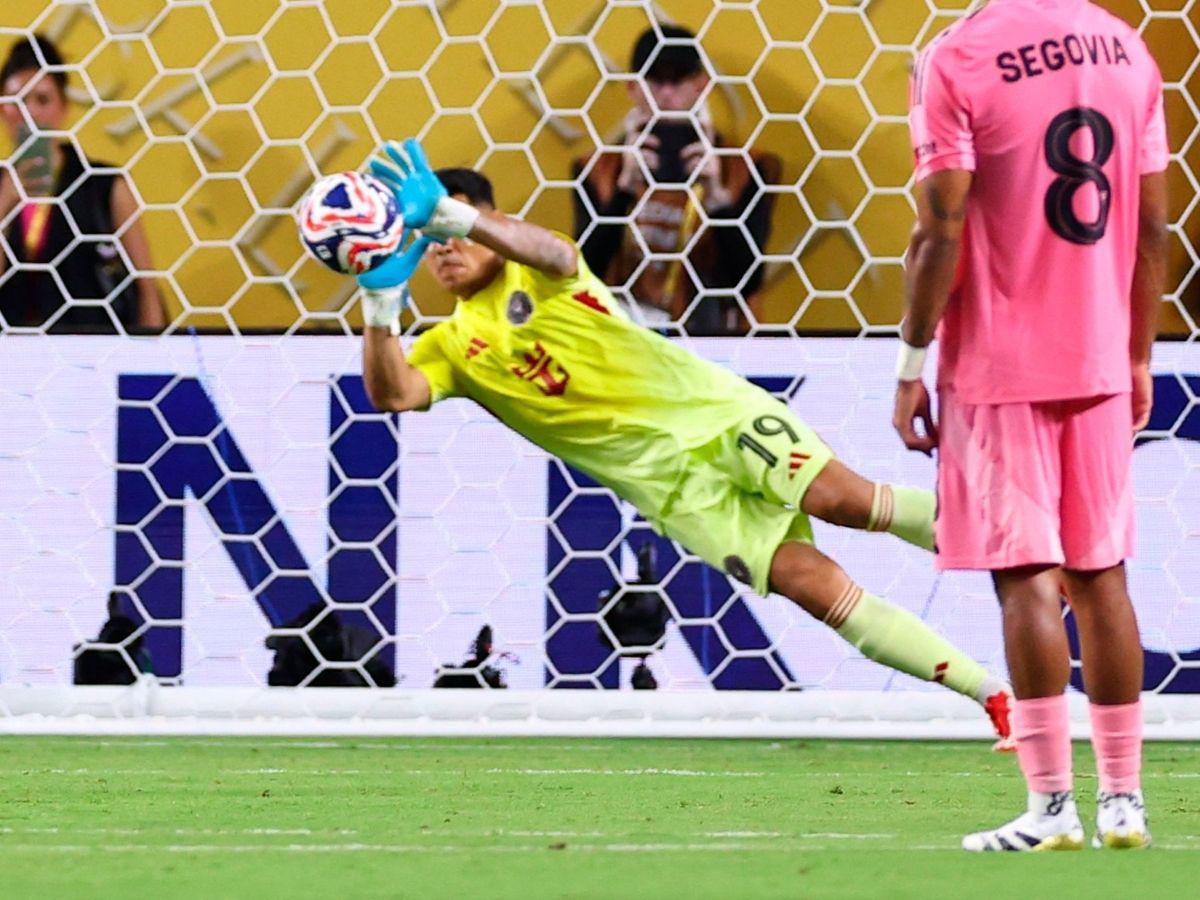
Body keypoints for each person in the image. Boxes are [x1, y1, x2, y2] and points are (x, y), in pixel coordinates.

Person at [349, 137, 1015, 744]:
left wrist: (449, 212)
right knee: (815, 590)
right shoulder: (449, 346)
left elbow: (557, 251)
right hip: (673, 491)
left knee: (846, 501)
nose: (442, 247)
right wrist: (378, 308)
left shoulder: (537, 268)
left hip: (715, 418)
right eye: (428, 237)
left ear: (487, 222)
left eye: (454, 229)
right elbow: (393, 394)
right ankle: (989, 695)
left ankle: (1024, 550)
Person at [895, 1, 1168, 851]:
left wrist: (912, 359)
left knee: (1026, 580)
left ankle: (1052, 809)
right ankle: (1124, 802)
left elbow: (939, 227)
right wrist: (1136, 354)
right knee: (1102, 575)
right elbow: (1155, 226)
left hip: (1000, 363)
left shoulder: (960, 56)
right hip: (1095, 355)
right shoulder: (1127, 48)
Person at [572, 24, 778, 336]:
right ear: (633, 87)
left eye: (678, 79)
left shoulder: (746, 168)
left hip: (709, 343)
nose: (666, 93)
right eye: (655, 80)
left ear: (702, 85)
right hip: (619, 338)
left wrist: (719, 201)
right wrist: (623, 192)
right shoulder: (596, 169)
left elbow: (748, 282)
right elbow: (585, 273)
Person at [0, 34, 164, 332]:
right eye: (17, 100)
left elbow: (147, 288)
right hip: (13, 358)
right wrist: (4, 204)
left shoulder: (103, 186)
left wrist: (153, 363)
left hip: (94, 352)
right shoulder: (2, 188)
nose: (30, 113)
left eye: (42, 99)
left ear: (63, 107)